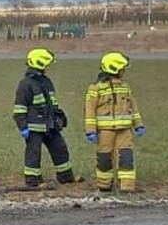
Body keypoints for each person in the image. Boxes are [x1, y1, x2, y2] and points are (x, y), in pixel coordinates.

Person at [12, 48, 75, 190]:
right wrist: (23, 127)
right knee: (34, 154)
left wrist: (60, 116)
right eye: (46, 64)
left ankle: (66, 177)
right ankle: (32, 181)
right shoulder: (26, 84)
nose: (48, 67)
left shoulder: (46, 81)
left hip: (50, 125)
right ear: (39, 64)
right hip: (34, 128)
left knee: (60, 149)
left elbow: (52, 102)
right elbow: (19, 109)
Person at [83, 52, 144, 192]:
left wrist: (138, 124)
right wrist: (91, 130)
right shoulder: (96, 88)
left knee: (126, 157)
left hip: (124, 130)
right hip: (105, 132)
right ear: (115, 69)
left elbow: (133, 107)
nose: (124, 71)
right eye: (122, 68)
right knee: (104, 158)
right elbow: (89, 110)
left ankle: (127, 186)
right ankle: (104, 185)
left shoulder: (125, 87)